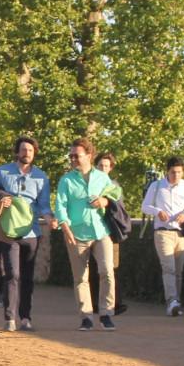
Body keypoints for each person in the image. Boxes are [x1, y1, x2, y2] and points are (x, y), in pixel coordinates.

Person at [0, 135, 56, 332]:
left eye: (30, 151)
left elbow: (44, 205)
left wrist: (51, 218)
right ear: (17, 152)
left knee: (27, 277)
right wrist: (1, 200)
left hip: (32, 232)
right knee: (12, 274)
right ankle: (9, 318)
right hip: (8, 232)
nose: (27, 153)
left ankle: (26, 318)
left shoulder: (41, 177)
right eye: (24, 150)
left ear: (34, 154)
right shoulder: (3, 172)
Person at [54, 138, 119, 331]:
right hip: (77, 233)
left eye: (77, 155)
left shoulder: (102, 177)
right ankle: (86, 317)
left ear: (89, 156)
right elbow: (60, 205)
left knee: (107, 271)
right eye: (71, 155)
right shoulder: (66, 180)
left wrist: (104, 201)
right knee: (80, 277)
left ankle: (107, 314)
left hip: (101, 231)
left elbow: (115, 195)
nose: (73, 158)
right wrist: (65, 228)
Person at [141, 156, 184, 317]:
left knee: (179, 270)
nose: (176, 175)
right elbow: (145, 206)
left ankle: (177, 302)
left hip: (181, 233)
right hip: (162, 232)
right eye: (173, 172)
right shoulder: (157, 186)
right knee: (169, 267)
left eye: (179, 172)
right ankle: (171, 301)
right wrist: (157, 211)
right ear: (167, 171)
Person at [87, 152, 127, 316]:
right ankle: (95, 303)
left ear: (111, 168)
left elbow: (120, 209)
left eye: (106, 166)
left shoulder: (114, 186)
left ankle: (114, 303)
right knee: (93, 268)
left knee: (111, 268)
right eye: (100, 165)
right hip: (91, 231)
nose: (103, 168)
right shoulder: (89, 184)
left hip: (110, 231)